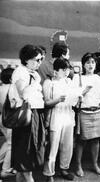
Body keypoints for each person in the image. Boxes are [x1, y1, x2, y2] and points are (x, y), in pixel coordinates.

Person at [42, 58, 90, 182]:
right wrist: (58, 100)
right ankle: (49, 173)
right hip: (55, 115)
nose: (66, 72)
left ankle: (64, 168)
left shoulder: (69, 82)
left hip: (68, 114)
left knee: (67, 145)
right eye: (64, 69)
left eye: (68, 69)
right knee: (53, 146)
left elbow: (74, 99)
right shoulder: (49, 83)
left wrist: (81, 95)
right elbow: (46, 102)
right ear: (56, 71)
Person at [11, 44, 45, 182]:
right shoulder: (20, 72)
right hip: (25, 116)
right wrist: (35, 82)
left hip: (35, 114)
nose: (39, 63)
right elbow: (23, 93)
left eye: (40, 59)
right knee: (26, 155)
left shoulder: (34, 73)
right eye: (37, 60)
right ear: (27, 59)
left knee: (26, 157)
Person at [74, 53, 100, 177]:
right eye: (88, 62)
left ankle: (95, 164)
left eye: (92, 62)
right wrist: (84, 91)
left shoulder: (99, 79)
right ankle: (78, 166)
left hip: (98, 110)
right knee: (82, 140)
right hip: (84, 111)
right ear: (83, 64)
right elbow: (74, 97)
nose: (90, 65)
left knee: (96, 139)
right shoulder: (78, 78)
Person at [0, 68, 16, 179]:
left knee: (7, 142)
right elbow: (13, 105)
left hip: (1, 118)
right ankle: (5, 170)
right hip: (10, 119)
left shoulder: (0, 88)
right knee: (11, 145)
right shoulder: (12, 88)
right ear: (11, 78)